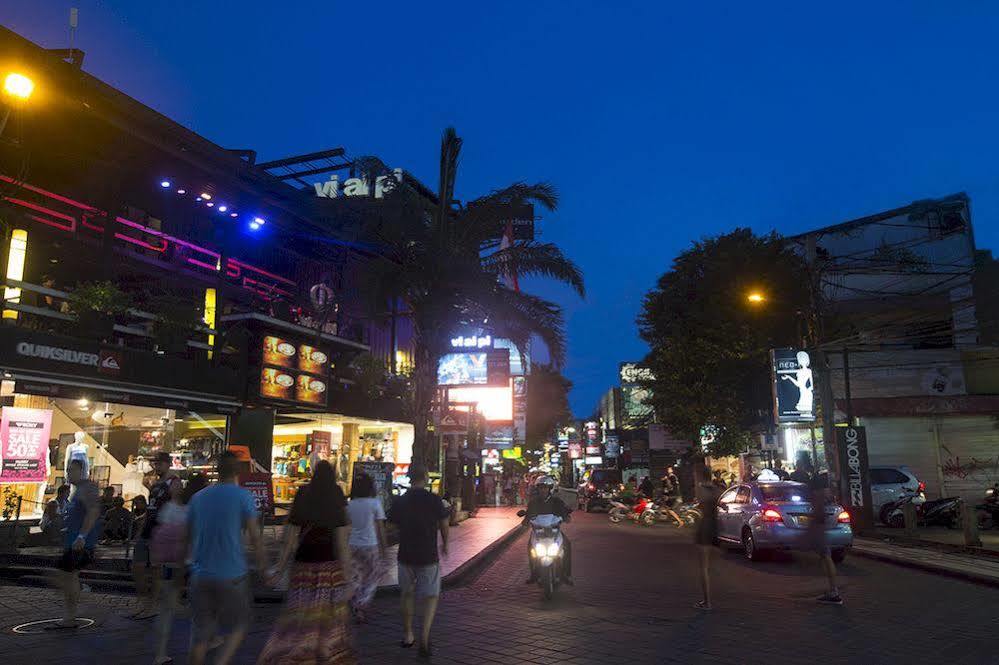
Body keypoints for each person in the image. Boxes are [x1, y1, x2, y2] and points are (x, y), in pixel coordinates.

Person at [257, 460, 354, 663]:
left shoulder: (303, 494)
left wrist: (279, 571)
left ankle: (298, 656)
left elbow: (290, 540)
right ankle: (326, 656)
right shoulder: (336, 495)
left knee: (300, 619)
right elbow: (342, 543)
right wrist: (349, 577)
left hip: (303, 569)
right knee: (328, 621)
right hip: (330, 570)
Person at [187, 452, 266, 665]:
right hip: (232, 573)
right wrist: (263, 567)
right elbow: (255, 537)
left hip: (200, 572)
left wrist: (180, 569)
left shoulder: (198, 497)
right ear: (238, 471)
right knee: (240, 624)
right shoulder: (243, 497)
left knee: (200, 633)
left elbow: (186, 538)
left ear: (217, 471)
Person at [387, 465, 450, 659]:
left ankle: (407, 634)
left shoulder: (400, 501)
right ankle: (424, 637)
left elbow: (390, 526)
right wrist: (445, 544)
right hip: (428, 554)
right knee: (430, 596)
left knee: (406, 594)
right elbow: (444, 524)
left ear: (409, 478)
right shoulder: (434, 499)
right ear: (425, 477)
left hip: (406, 554)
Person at [152, 473, 207, 665]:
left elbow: (158, 537)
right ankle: (196, 650)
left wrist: (156, 562)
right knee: (194, 609)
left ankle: (160, 654)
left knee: (166, 610)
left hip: (169, 563)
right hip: (188, 563)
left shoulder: (166, 509)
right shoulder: (192, 509)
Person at [47, 458, 100, 629]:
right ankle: (70, 614)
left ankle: (71, 615)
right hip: (73, 541)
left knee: (65, 575)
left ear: (81, 470)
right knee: (68, 576)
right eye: (68, 470)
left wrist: (82, 536)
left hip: (80, 544)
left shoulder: (87, 488)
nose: (68, 473)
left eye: (71, 470)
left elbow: (93, 512)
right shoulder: (77, 490)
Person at [132, 451, 174, 620]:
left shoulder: (173, 482)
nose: (157, 466)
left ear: (167, 464)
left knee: (155, 569)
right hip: (149, 528)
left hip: (160, 529)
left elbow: (176, 504)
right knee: (138, 566)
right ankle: (145, 603)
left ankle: (150, 605)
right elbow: (151, 507)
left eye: (160, 463)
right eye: (155, 464)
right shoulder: (156, 484)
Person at [347, 472, 387, 623]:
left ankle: (355, 601)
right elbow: (380, 528)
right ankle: (361, 603)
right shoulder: (375, 503)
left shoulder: (349, 505)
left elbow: (346, 526)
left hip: (352, 544)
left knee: (355, 576)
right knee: (372, 576)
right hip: (370, 545)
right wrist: (383, 548)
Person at [524, 475, 573, 585]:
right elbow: (528, 515)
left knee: (567, 545)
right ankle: (533, 574)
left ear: (550, 488)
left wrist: (566, 516)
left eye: (545, 487)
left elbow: (564, 512)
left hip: (554, 530)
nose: (543, 490)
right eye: (541, 487)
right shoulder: (533, 502)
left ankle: (566, 574)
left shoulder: (557, 502)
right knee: (530, 547)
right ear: (538, 489)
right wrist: (525, 520)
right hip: (538, 532)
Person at [808, 474, 843, 605]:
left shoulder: (818, 496)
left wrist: (812, 526)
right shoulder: (829, 495)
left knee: (826, 557)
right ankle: (833, 590)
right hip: (825, 527)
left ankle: (834, 591)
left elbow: (818, 513)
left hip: (820, 528)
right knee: (825, 557)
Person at [693, 464, 720, 611]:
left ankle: (707, 601)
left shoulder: (701, 489)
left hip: (705, 527)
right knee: (711, 567)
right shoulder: (717, 489)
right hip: (715, 527)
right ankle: (709, 599)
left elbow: (701, 507)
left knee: (703, 568)